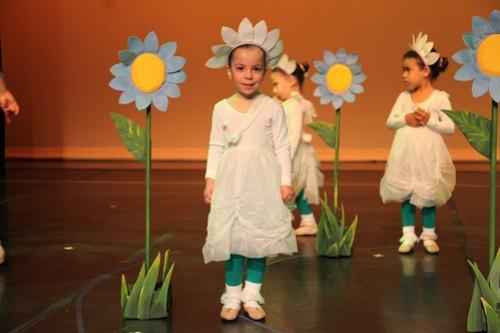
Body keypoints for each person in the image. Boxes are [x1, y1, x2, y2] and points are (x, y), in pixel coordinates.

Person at [203, 18, 297, 321]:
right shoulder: (221, 108)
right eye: (241, 68)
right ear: (229, 71)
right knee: (234, 240)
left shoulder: (272, 107)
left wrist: (285, 181)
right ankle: (231, 297)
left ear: (264, 72)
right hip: (232, 181)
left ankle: (253, 294)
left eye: (256, 68)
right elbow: (216, 145)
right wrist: (211, 178)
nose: (248, 75)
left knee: (259, 239)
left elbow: (282, 146)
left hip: (262, 180)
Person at [380, 33, 455, 255]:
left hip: (428, 153)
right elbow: (390, 122)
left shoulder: (440, 98)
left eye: (408, 69)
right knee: (407, 192)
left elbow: (450, 126)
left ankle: (429, 234)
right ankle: (408, 234)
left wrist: (429, 120)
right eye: (403, 70)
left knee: (428, 192)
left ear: (425, 71)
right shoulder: (403, 98)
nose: (403, 75)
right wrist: (406, 119)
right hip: (405, 153)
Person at [271, 54, 324, 236]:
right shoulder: (293, 104)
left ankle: (283, 221)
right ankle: (308, 221)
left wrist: (284, 158)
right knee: (297, 188)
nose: (274, 89)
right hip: (297, 153)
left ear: (292, 82)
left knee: (285, 186)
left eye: (276, 84)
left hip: (292, 155)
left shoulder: (292, 106)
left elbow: (292, 135)